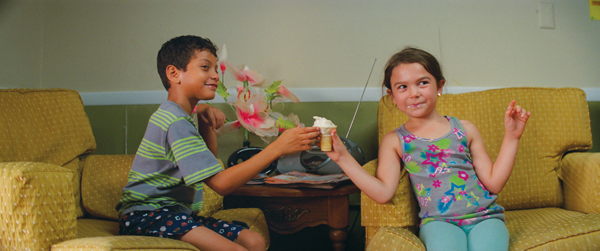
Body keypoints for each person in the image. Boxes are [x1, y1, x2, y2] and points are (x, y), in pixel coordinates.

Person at [115, 35, 320, 251]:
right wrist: (277, 148)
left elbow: (208, 161)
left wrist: (202, 117)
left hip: (173, 214)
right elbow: (221, 184)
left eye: (215, 69)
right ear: (174, 73)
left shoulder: (180, 115)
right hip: (147, 216)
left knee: (254, 241)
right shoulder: (175, 122)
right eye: (205, 67)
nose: (215, 76)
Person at [323, 47, 531, 251]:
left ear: (439, 86)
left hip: (485, 217)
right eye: (402, 87)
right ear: (392, 95)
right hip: (438, 223)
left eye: (422, 83)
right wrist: (343, 158)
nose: (414, 93)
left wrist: (512, 137)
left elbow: (494, 184)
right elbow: (383, 193)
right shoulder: (395, 141)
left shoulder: (465, 129)